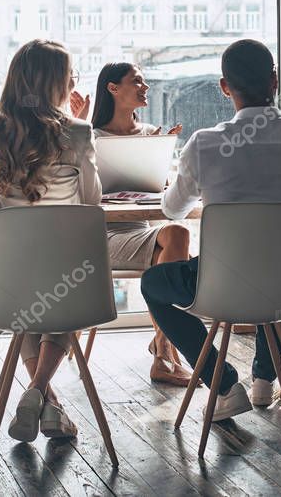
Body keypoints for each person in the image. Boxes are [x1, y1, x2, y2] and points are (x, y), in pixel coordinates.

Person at [140, 39, 281, 421]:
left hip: (220, 283)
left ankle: (224, 384)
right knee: (274, 257)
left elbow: (173, 212)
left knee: (154, 284)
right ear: (274, 81)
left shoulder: (205, 144)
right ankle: (264, 378)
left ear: (225, 87)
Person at [0, 39, 100, 442]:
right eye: (70, 76)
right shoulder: (78, 132)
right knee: (72, 288)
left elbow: (1, 202)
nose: (73, 83)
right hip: (67, 269)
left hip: (9, 273)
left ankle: (48, 405)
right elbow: (92, 202)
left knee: (27, 308)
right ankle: (38, 393)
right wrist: (78, 123)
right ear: (54, 83)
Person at [90, 61, 194, 386]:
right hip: (102, 235)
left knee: (176, 235)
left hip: (142, 232)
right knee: (176, 236)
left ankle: (162, 347)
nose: (144, 87)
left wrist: (161, 163)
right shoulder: (90, 139)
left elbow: (163, 195)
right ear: (112, 88)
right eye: (136, 82)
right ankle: (163, 349)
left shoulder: (151, 135)